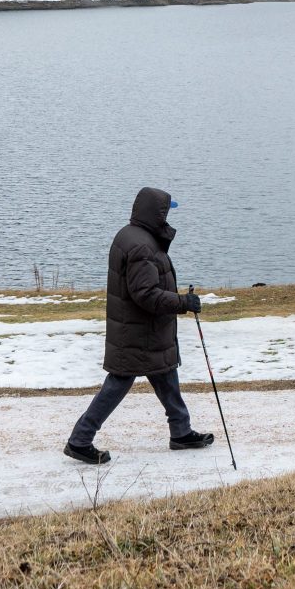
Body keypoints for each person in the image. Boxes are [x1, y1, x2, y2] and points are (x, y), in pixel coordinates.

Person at [64, 186, 214, 464]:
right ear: (156, 214)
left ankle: (181, 432)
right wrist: (182, 302)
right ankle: (79, 440)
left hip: (145, 330)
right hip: (137, 332)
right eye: (166, 213)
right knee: (118, 384)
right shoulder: (142, 246)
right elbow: (146, 294)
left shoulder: (133, 235)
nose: (168, 218)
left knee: (166, 374)